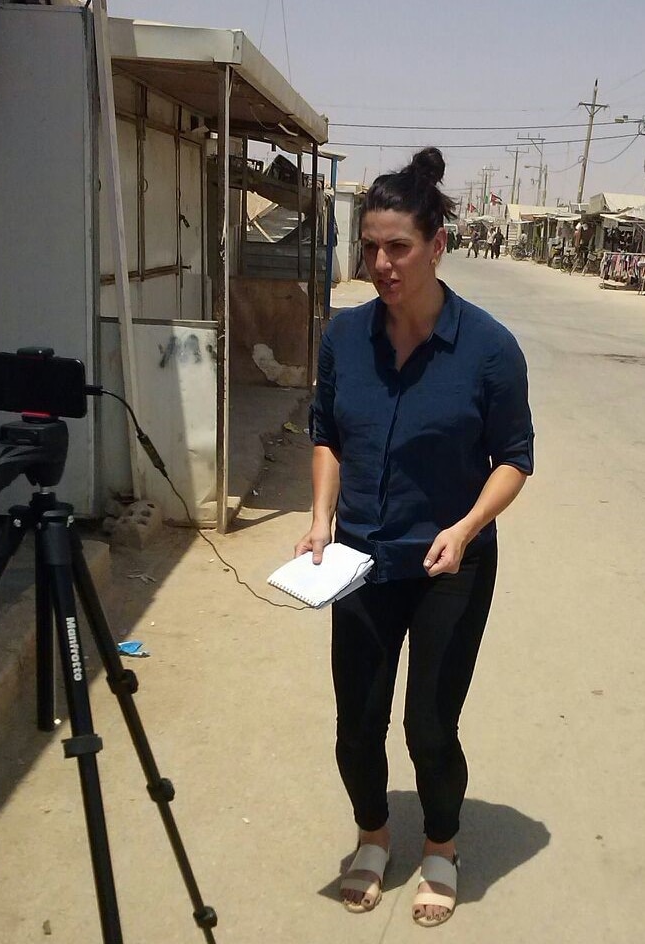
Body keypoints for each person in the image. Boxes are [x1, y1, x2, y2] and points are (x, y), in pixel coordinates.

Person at [296, 147, 534, 927]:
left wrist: (465, 527)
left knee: (428, 724)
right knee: (354, 723)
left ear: (436, 244)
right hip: (359, 560)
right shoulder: (345, 337)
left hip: (449, 565)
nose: (380, 262)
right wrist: (320, 517)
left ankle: (440, 846)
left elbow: (514, 461)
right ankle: (373, 835)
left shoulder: (489, 348)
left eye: (397, 246)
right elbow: (327, 433)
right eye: (369, 246)